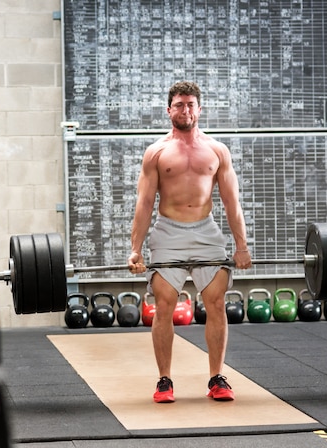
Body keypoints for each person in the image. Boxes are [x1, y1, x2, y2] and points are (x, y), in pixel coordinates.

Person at [127, 81, 252, 403]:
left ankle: (217, 378)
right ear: (169, 110)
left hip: (206, 231)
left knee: (215, 302)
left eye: (190, 105)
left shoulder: (217, 151)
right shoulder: (156, 152)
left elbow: (232, 202)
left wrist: (241, 246)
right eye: (179, 105)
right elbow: (143, 204)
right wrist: (135, 249)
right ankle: (164, 380)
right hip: (168, 231)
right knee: (164, 304)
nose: (185, 110)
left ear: (199, 109)